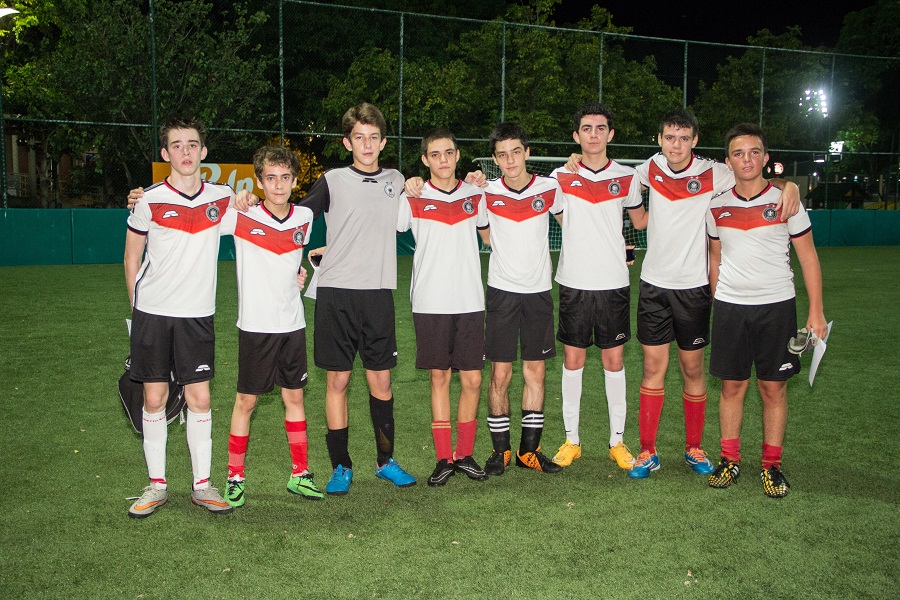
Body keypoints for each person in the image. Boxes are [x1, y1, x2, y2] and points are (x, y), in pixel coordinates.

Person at [566, 108, 800, 480]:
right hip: (654, 286)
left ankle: (694, 447)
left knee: (693, 369)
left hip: (694, 288)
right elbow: (606, 174)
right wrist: (575, 159)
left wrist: (789, 185)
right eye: (670, 137)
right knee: (652, 369)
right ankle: (647, 451)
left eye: (684, 138)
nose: (676, 145)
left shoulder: (715, 172)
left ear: (695, 140)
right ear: (660, 140)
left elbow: (753, 176)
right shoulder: (647, 169)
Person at [298, 103, 415, 495]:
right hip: (336, 293)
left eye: (373, 137)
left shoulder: (397, 180)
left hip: (378, 293)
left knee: (381, 380)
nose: (367, 144)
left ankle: (385, 462)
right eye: (359, 137)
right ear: (347, 142)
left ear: (383, 142)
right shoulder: (332, 180)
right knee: (338, 379)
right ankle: (341, 466)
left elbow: (434, 192)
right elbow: (296, 218)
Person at [706, 123, 825, 498]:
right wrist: (718, 300)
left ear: (765, 158)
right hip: (730, 308)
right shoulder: (716, 206)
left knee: (773, 388)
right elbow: (715, 257)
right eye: (738, 154)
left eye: (754, 152)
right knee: (732, 386)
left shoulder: (787, 201)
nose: (747, 159)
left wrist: (816, 311)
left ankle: (771, 466)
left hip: (776, 306)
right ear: (728, 162)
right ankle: (729, 460)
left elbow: (808, 257)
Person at [124, 118, 234, 518]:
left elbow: (259, 224)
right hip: (153, 312)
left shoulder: (223, 198)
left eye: (192, 144)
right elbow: (131, 256)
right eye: (176, 145)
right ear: (165, 153)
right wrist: (136, 310)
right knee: (154, 398)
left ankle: (202, 485)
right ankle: (157, 485)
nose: (185, 152)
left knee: (199, 397)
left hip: (197, 315)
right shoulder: (148, 199)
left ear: (203, 152)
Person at [219, 145, 321, 507]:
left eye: (285, 177)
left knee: (294, 397)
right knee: (246, 401)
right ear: (259, 181)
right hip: (255, 325)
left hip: (292, 324)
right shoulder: (240, 215)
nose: (279, 185)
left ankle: (300, 474)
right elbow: (199, 214)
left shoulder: (304, 217)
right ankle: (234, 477)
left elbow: (294, 261)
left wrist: (299, 273)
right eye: (271, 178)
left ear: (295, 181)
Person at [548, 103, 646, 471]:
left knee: (614, 361)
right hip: (574, 281)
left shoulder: (628, 177)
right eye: (586, 128)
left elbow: (637, 221)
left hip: (613, 282)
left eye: (600, 128)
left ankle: (617, 441)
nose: (594, 134)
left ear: (610, 134)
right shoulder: (560, 176)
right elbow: (561, 217)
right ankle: (571, 440)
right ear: (576, 135)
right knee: (572, 361)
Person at [396, 128, 489, 487]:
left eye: (449, 152)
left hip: (469, 299)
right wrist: (406, 186)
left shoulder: (475, 195)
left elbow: (489, 234)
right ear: (425, 160)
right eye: (435, 154)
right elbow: (388, 226)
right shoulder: (413, 197)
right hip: (430, 300)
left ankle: (464, 454)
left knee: (473, 379)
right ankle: (443, 459)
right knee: (439, 377)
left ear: (458, 155)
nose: (443, 160)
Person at [474, 122, 564, 475]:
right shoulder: (486, 193)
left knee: (535, 371)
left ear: (527, 152)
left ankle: (530, 451)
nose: (510, 160)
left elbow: (574, 224)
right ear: (495, 159)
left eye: (515, 152)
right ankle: (500, 451)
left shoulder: (550, 188)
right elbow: (485, 237)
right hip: (501, 291)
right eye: (502, 154)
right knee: (500, 373)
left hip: (538, 292)